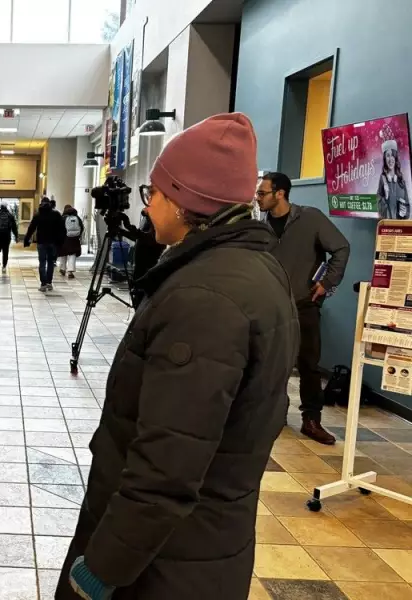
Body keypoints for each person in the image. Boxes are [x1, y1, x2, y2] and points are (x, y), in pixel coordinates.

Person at [57, 113, 299, 600]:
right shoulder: (254, 270)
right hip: (207, 544)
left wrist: (103, 567)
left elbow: (168, 464)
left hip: (164, 563)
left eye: (154, 193)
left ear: (185, 200)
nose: (147, 208)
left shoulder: (203, 301)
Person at [256, 171, 350, 445]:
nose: (258, 197)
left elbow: (341, 248)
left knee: (308, 364)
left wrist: (326, 282)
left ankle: (312, 420)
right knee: (271, 363)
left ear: (280, 193)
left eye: (263, 193)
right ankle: (274, 414)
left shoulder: (310, 218)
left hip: (304, 303)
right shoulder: (260, 227)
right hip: (271, 305)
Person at [24, 197, 66, 291]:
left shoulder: (38, 215)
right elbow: (62, 229)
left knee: (42, 263)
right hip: (52, 242)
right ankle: (49, 283)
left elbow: (31, 228)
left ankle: (43, 284)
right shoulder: (56, 214)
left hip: (41, 242)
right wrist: (61, 241)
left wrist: (26, 240)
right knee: (50, 262)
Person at [377, 140, 409, 219]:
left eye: (392, 155)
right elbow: (378, 203)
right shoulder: (383, 179)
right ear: (385, 159)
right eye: (388, 155)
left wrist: (405, 212)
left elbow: (407, 205)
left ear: (395, 157)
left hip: (400, 226)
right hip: (388, 226)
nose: (390, 159)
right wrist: (386, 198)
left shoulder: (401, 181)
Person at [0, 202, 18, 273]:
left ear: (0, 207)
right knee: (5, 252)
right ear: (6, 207)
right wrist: (16, 236)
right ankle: (4, 267)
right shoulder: (10, 216)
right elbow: (14, 227)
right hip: (7, 236)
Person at [58, 205, 84, 278]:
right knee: (72, 254)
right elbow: (81, 228)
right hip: (74, 239)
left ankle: (62, 268)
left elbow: (59, 229)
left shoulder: (63, 218)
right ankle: (70, 271)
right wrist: (78, 236)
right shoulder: (77, 218)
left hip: (64, 239)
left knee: (63, 254)